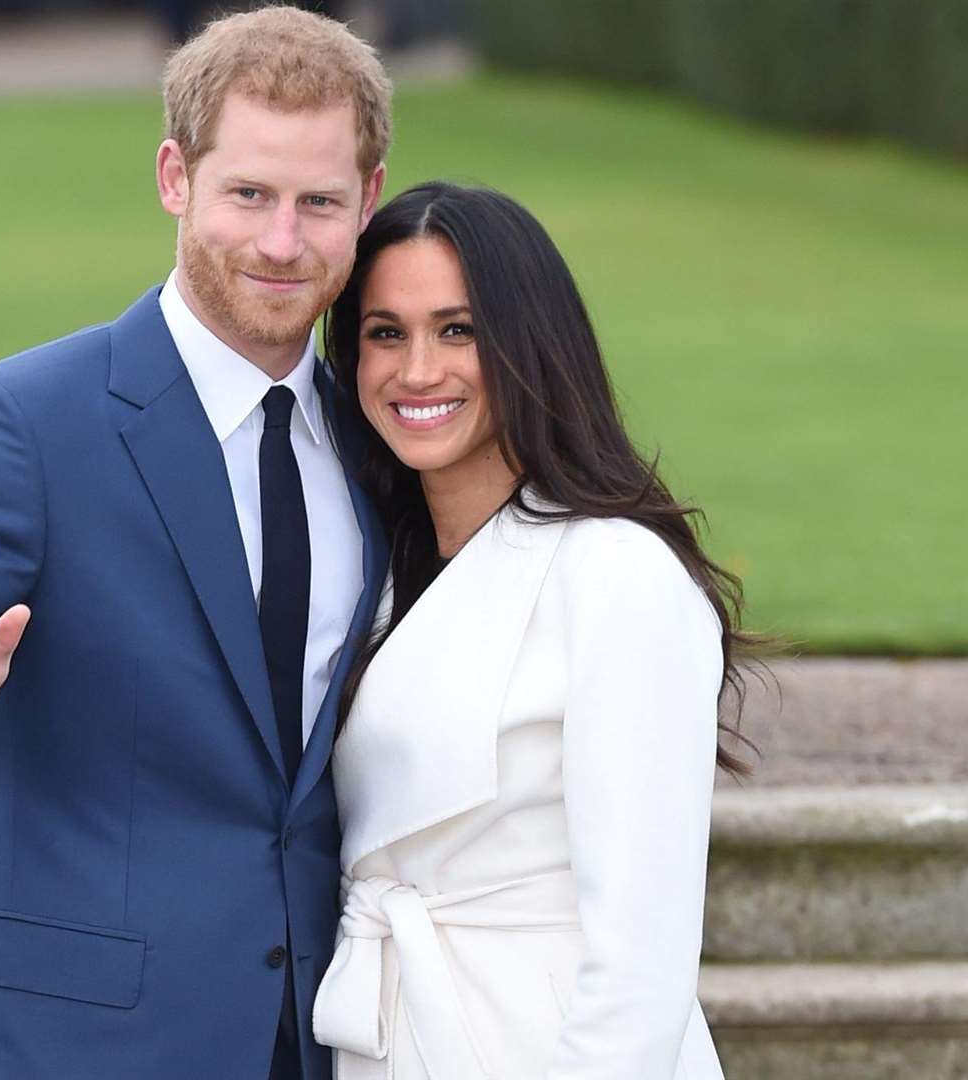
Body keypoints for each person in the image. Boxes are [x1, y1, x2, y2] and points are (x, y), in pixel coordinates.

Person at [0, 7, 389, 1079]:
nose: (280, 241)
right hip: (76, 1042)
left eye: (318, 202)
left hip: (320, 1037)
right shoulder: (22, 422)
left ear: (369, 200)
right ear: (176, 178)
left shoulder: (379, 440)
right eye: (248, 194)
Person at [310, 182, 754, 1079]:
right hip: (393, 1036)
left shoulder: (615, 573)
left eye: (458, 330)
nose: (417, 371)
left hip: (547, 1043)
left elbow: (641, 958)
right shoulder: (375, 572)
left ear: (529, 346)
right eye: (384, 332)